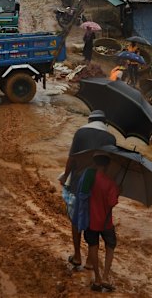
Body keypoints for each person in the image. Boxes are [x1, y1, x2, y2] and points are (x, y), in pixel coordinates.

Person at [59, 110, 116, 269]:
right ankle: (91, 261)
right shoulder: (111, 138)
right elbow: (111, 165)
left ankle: (77, 256)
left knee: (76, 219)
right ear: (105, 123)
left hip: (79, 182)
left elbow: (72, 158)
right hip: (98, 186)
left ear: (90, 120)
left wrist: (65, 177)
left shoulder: (81, 133)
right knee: (94, 221)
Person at [85, 153, 119, 293]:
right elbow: (112, 203)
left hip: (91, 220)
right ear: (107, 166)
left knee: (93, 246)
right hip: (106, 223)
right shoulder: (110, 183)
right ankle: (105, 276)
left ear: (95, 163)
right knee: (110, 245)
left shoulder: (89, 178)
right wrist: (117, 192)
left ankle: (97, 278)